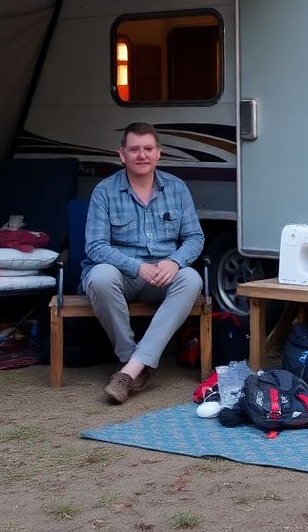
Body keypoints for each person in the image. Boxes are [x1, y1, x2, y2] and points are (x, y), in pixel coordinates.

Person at [83, 122, 204, 404]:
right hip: (122, 277)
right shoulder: (105, 191)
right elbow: (95, 247)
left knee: (191, 279)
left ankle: (130, 371)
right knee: (100, 276)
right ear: (121, 154)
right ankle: (132, 362)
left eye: (148, 149)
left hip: (161, 277)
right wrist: (137, 267)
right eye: (134, 149)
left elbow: (195, 237)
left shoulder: (177, 188)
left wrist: (175, 262)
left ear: (158, 153)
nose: (142, 155)